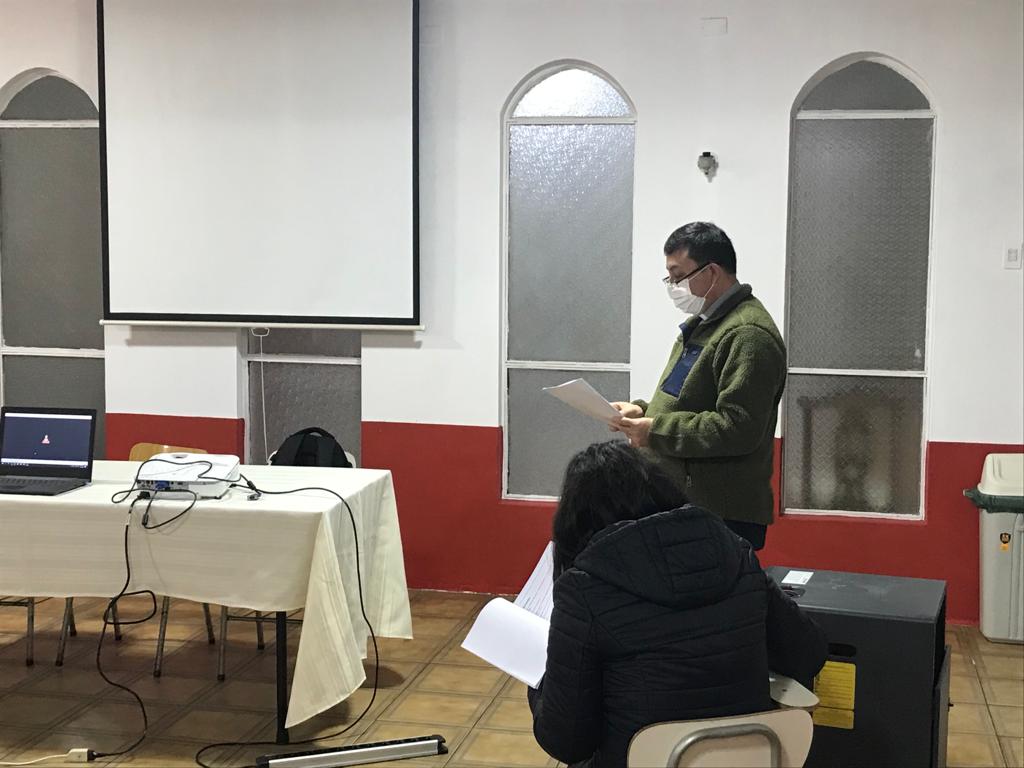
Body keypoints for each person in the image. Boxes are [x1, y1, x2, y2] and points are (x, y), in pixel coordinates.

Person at [528, 441, 826, 768]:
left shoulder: (584, 588)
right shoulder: (737, 553)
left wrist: (539, 682)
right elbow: (808, 653)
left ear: (575, 520)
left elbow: (566, 742)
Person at [611, 221, 786, 550]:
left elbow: (738, 428)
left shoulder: (747, 335)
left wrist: (655, 431)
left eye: (678, 276)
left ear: (712, 272)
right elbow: (685, 399)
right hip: (684, 502)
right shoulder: (704, 326)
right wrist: (642, 412)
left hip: (720, 512)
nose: (673, 286)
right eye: (669, 277)